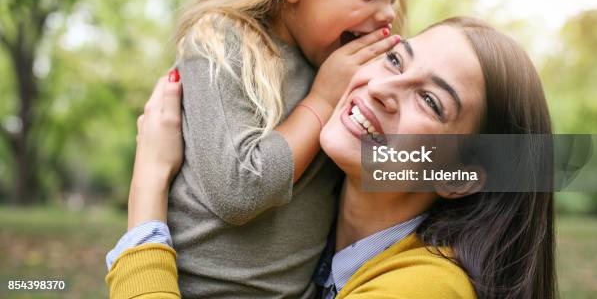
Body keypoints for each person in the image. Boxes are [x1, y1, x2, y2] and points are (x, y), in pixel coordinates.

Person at [106, 0, 422, 297]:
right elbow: (239, 190)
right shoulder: (224, 41)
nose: (388, 13)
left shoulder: (343, 72)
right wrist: (321, 102)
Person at [106, 17, 557, 298]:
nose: (380, 88)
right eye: (396, 61)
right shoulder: (322, 255)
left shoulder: (427, 287)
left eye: (431, 102)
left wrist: (148, 187)